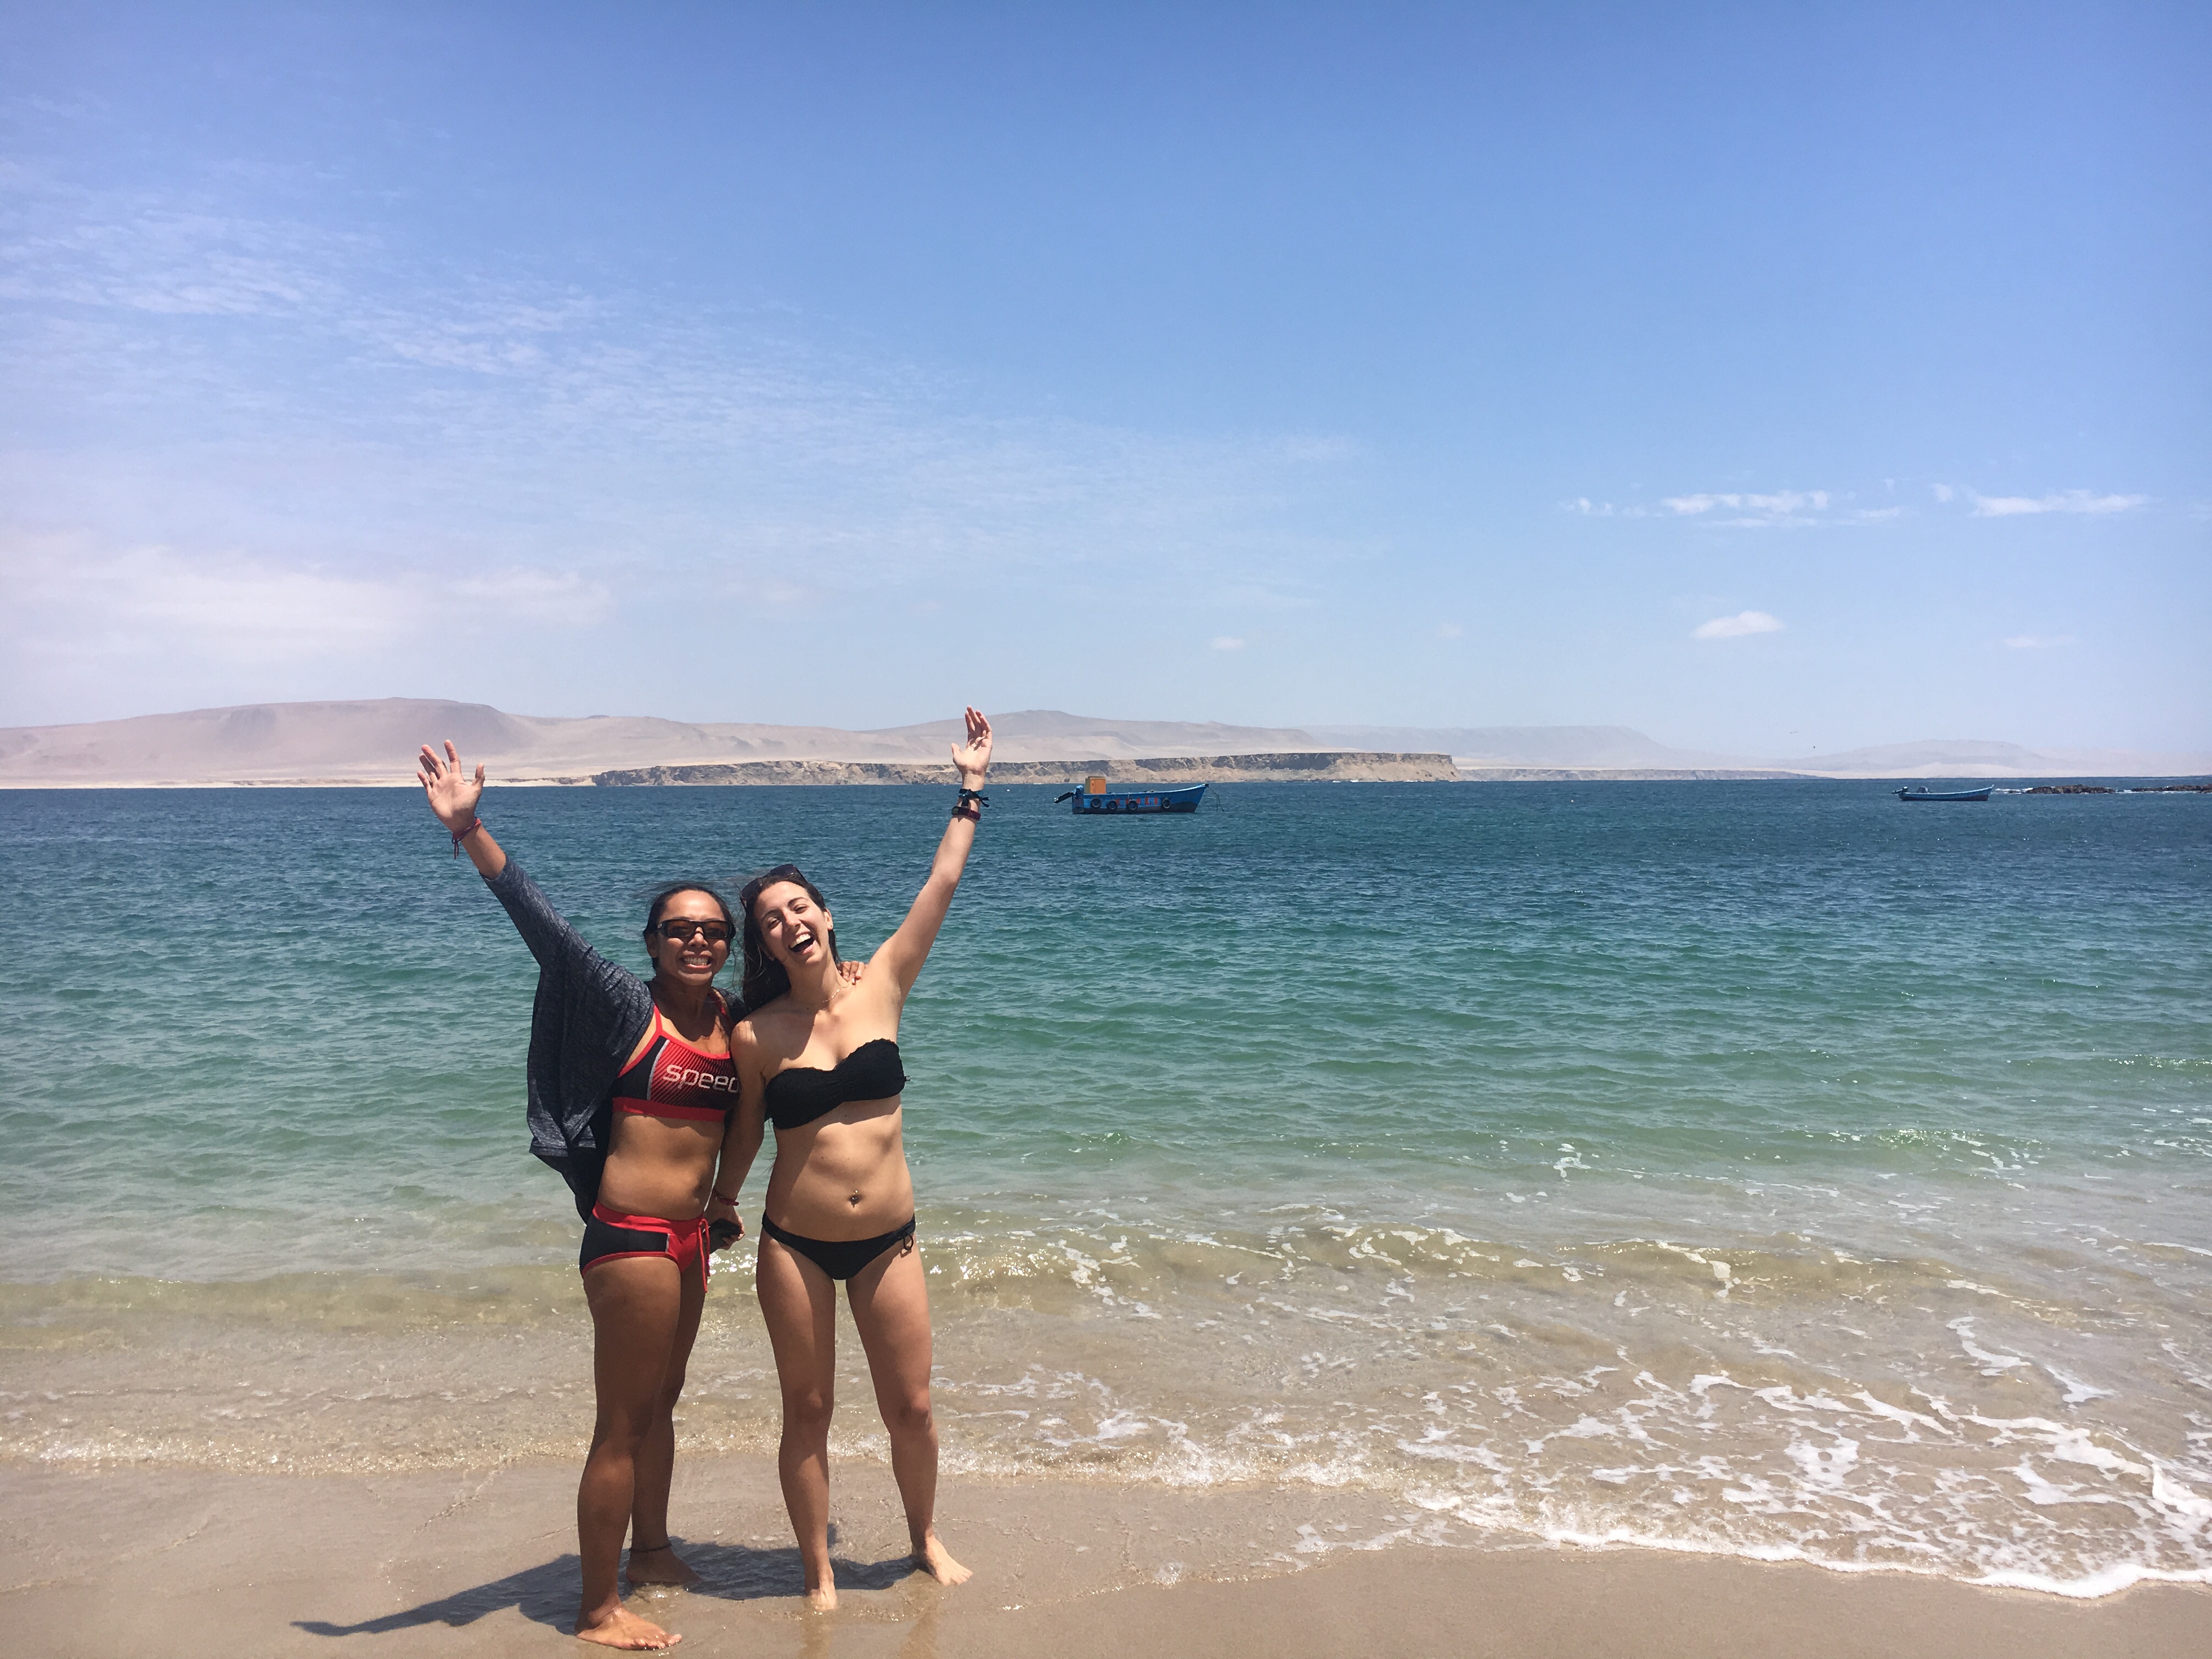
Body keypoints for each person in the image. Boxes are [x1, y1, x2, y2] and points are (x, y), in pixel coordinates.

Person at [416, 741, 856, 1651]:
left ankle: (650, 1551)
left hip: (691, 1240)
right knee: (620, 1424)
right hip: (632, 1241)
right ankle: (595, 1609)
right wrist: (470, 830)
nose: (698, 941)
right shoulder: (625, 1005)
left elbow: (808, 1015)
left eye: (714, 932)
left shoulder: (732, 1019)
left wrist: (848, 978)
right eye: (679, 930)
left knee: (663, 1403)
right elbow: (545, 928)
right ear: (652, 943)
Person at [710, 706, 992, 1609]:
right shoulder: (755, 1034)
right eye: (771, 920)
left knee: (911, 1407)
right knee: (808, 1411)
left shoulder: (885, 984)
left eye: (799, 906)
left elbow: (942, 881)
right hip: (794, 1243)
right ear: (764, 944)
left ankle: (924, 1538)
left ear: (826, 917)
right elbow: (746, 1133)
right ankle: (818, 1570)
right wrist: (719, 1203)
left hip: (889, 1241)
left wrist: (971, 786)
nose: (789, 921)